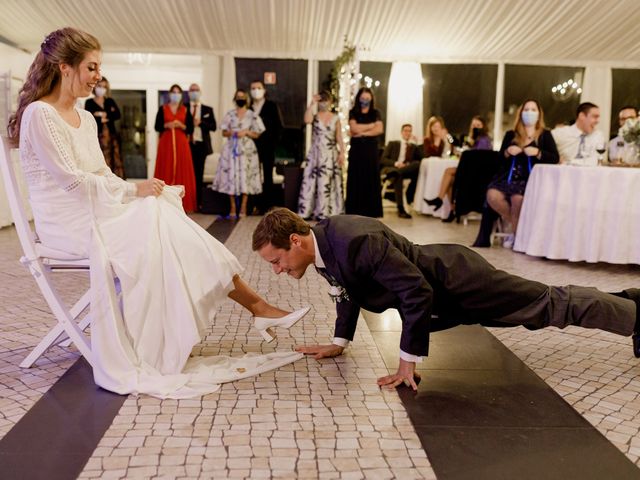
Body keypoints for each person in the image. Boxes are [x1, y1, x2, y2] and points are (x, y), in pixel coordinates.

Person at [8, 28, 308, 399]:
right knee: (158, 216)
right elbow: (72, 183)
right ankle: (255, 307)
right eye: (91, 67)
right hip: (67, 224)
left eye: (98, 68)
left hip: (95, 212)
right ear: (64, 67)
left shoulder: (85, 117)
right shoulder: (41, 114)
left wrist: (143, 189)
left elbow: (100, 174)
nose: (98, 76)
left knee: (160, 209)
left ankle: (254, 308)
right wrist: (134, 190)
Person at [252, 208, 640, 391]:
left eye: (277, 260)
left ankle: (635, 318)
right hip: (448, 290)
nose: (278, 270)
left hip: (462, 281)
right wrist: (339, 342)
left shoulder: (354, 240)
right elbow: (346, 290)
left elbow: (415, 291)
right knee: (542, 307)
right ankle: (632, 301)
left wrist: (407, 363)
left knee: (549, 306)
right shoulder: (320, 246)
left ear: (295, 241)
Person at [486, 99, 559, 248]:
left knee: (517, 199)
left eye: (533, 110)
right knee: (492, 195)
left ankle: (518, 236)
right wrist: (507, 152)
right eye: (526, 110)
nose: (529, 113)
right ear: (521, 113)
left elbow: (554, 157)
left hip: (531, 179)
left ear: (539, 114)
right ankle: (516, 226)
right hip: (509, 177)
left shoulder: (545, 135)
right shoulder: (511, 134)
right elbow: (499, 159)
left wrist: (538, 152)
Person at [425, 116, 492, 222]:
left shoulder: (482, 140)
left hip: (476, 173)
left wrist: (448, 140)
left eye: (478, 125)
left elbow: (476, 157)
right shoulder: (428, 139)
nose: (475, 127)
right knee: (450, 181)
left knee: (448, 171)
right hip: (468, 169)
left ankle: (439, 199)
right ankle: (452, 210)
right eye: (474, 125)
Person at [211, 89, 264, 218]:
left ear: (246, 99)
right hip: (231, 149)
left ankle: (244, 206)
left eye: (242, 96)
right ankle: (233, 206)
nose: (240, 98)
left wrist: (246, 132)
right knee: (231, 175)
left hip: (247, 151)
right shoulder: (230, 114)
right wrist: (233, 133)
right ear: (235, 99)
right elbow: (224, 132)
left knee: (246, 176)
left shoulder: (252, 115)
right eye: (238, 96)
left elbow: (257, 133)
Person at [297, 91, 345, 220]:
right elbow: (307, 119)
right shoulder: (315, 116)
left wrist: (342, 153)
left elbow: (339, 136)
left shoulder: (335, 118)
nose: (324, 103)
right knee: (312, 181)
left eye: (326, 100)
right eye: (322, 100)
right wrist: (312, 103)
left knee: (327, 182)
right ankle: (309, 210)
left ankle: (325, 212)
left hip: (330, 154)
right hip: (316, 154)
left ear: (330, 102)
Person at [153, 84, 197, 212]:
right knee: (165, 167)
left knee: (182, 169)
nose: (176, 94)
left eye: (178, 92)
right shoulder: (163, 109)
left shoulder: (185, 109)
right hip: (166, 143)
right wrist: (167, 125)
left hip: (181, 143)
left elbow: (190, 128)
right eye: (173, 92)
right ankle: (163, 202)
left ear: (181, 95)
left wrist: (181, 125)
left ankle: (184, 204)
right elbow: (157, 126)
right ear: (170, 94)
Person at [346, 87, 384, 218]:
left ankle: (372, 211)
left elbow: (379, 129)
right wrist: (370, 126)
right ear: (358, 98)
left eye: (368, 98)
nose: (365, 100)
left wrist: (361, 132)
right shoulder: (353, 112)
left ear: (372, 99)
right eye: (363, 98)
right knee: (356, 178)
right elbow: (353, 128)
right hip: (357, 150)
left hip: (371, 150)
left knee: (371, 178)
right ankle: (355, 210)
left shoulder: (376, 112)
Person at [250, 80, 283, 214]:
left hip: (268, 146)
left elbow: (279, 127)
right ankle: (254, 205)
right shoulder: (249, 107)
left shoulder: (271, 106)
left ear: (264, 90)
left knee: (267, 176)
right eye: (253, 88)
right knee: (253, 176)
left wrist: (273, 143)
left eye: (258, 88)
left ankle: (267, 206)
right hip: (251, 148)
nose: (256, 90)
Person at [84, 76, 124, 178]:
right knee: (102, 160)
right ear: (95, 86)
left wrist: (101, 114)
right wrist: (104, 116)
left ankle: (116, 183)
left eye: (104, 87)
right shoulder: (89, 102)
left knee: (115, 159)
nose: (102, 88)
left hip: (111, 136)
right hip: (97, 137)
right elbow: (88, 118)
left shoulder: (110, 101)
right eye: (100, 86)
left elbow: (118, 115)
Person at [380, 123, 422, 219]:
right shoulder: (393, 143)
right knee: (398, 175)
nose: (408, 133)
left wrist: (417, 143)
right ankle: (401, 209)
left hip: (403, 171)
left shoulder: (414, 147)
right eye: (406, 130)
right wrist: (396, 164)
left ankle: (406, 199)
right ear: (401, 132)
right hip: (391, 168)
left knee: (416, 165)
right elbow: (383, 159)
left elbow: (422, 158)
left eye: (410, 131)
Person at [187, 83, 217, 212]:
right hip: (187, 146)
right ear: (188, 93)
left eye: (196, 90)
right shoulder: (183, 108)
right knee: (187, 175)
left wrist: (201, 123)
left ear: (200, 92)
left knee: (198, 176)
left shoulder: (207, 109)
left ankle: (198, 203)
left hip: (201, 146)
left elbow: (213, 126)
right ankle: (187, 202)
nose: (194, 92)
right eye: (192, 90)